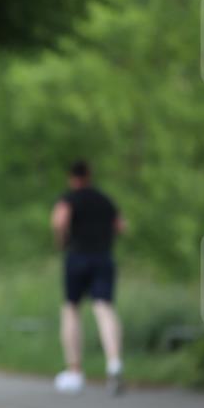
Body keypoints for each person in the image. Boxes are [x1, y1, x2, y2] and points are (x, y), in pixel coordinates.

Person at [50, 160, 126, 395]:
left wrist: (61, 240)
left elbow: (59, 220)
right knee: (104, 307)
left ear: (71, 177)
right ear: (90, 175)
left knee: (71, 309)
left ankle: (74, 370)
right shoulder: (105, 199)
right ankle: (114, 362)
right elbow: (121, 226)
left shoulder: (70, 198)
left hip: (78, 256)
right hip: (103, 257)